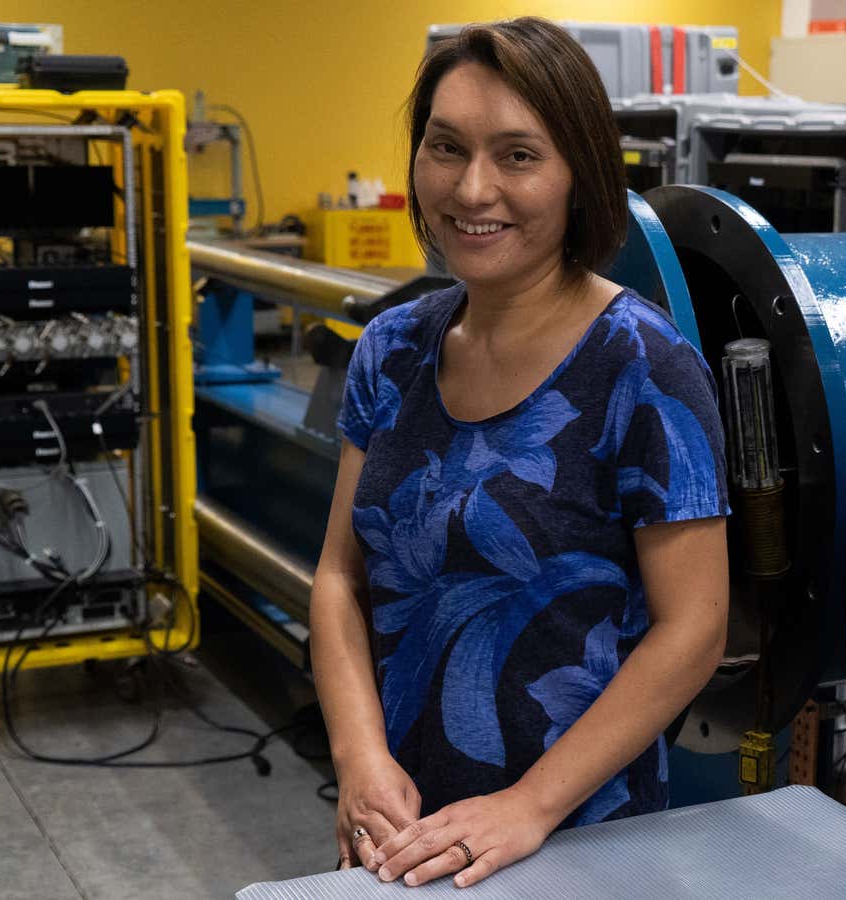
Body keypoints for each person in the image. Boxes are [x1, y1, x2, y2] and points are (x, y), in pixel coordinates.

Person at [309, 17, 730, 890]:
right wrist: (359, 762)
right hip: (403, 832)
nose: (472, 189)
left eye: (518, 156)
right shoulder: (391, 350)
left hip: (579, 835)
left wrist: (531, 804)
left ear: (580, 173)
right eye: (446, 147)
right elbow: (340, 578)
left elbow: (694, 630)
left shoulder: (643, 367)